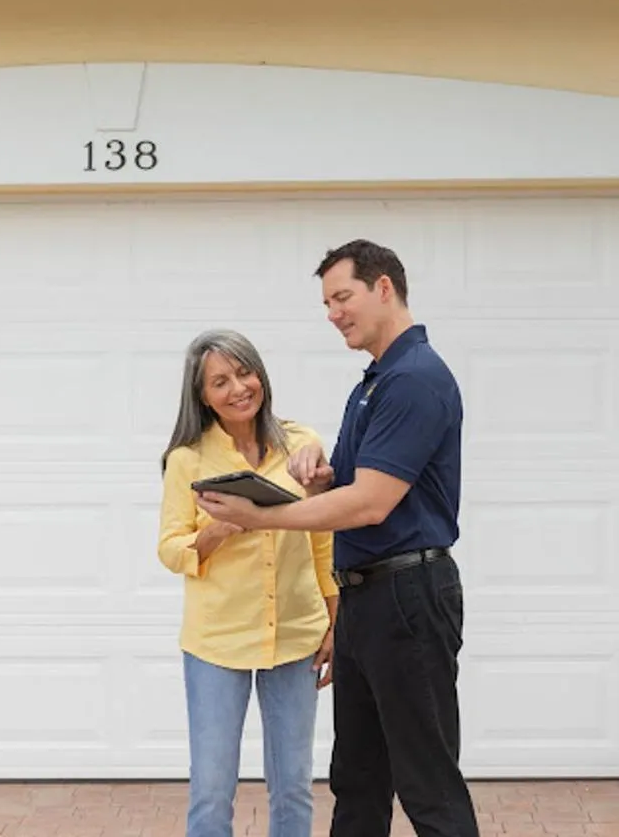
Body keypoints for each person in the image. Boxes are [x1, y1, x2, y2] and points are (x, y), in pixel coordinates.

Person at [198, 240, 480, 837]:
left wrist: (260, 518)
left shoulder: (413, 381)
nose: (333, 313)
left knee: (427, 784)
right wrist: (325, 478)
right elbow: (357, 488)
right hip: (366, 599)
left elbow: (372, 505)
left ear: (384, 288)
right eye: (327, 302)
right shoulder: (373, 384)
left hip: (406, 595)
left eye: (342, 297)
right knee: (357, 777)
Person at [158, 329, 338, 837]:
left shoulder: (302, 445)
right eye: (220, 381)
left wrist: (333, 623)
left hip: (296, 636)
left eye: (244, 372)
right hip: (216, 643)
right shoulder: (187, 460)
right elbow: (171, 548)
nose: (238, 388)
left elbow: (322, 538)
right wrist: (219, 529)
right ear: (202, 395)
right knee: (212, 792)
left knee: (294, 787)